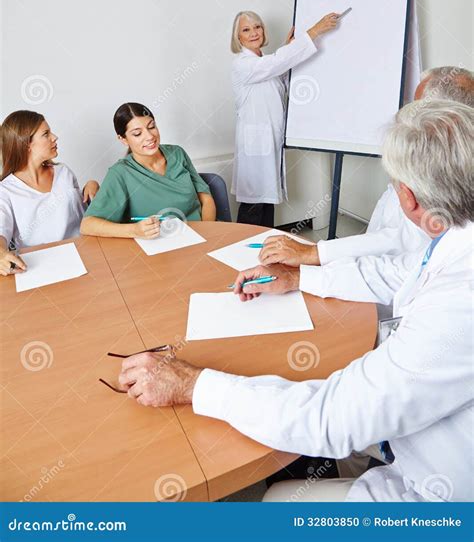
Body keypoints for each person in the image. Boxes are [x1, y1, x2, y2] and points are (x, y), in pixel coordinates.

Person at [116, 100, 473, 502]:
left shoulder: (458, 304)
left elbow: (331, 418)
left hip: (440, 491)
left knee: (277, 499)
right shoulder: (458, 242)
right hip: (428, 431)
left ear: (406, 197)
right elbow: (398, 271)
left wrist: (192, 384)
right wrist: (300, 278)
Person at [257, 66, 474, 305]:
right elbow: (396, 258)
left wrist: (312, 258)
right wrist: (303, 273)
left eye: (417, 109)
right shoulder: (434, 169)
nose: (408, 116)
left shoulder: (446, 201)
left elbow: (400, 251)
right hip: (371, 280)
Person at [231, 10, 340, 228]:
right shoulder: (242, 64)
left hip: (268, 145)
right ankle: (242, 253)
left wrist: (288, 48)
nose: (253, 33)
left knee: (267, 203)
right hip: (255, 149)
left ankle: (264, 250)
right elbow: (275, 64)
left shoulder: (263, 62)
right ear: (238, 38)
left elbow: (277, 68)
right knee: (253, 206)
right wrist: (315, 30)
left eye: (257, 27)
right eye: (246, 29)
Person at [81, 102, 216, 240]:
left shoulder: (177, 153)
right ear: (123, 139)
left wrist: (205, 235)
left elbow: (206, 198)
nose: (150, 136)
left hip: (199, 237)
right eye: (137, 134)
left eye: (151, 127)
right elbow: (87, 225)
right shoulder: (121, 173)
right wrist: (134, 230)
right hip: (160, 250)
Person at [0, 110, 99, 276]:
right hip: (40, 269)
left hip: (85, 256)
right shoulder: (6, 190)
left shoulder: (64, 172)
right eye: (46, 134)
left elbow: (79, 213)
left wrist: (91, 185)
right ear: (26, 144)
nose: (54, 137)